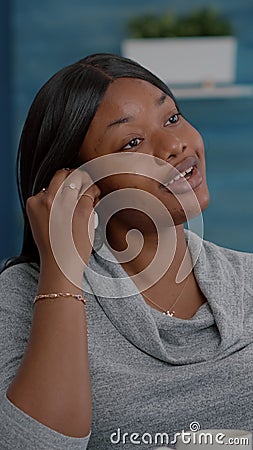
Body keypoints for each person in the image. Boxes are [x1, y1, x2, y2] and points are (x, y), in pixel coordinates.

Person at [0, 53, 252, 450]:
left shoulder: (248, 279)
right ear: (78, 184)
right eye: (133, 142)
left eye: (171, 117)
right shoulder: (21, 296)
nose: (175, 144)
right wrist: (63, 270)